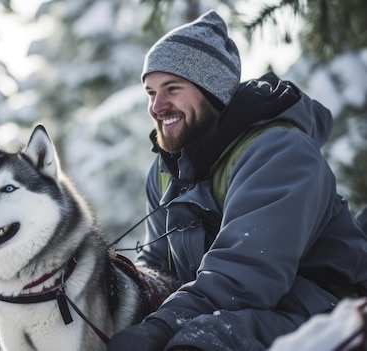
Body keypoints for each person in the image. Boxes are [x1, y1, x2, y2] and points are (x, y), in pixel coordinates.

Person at [107, 10, 367, 351]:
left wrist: (161, 326)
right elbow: (159, 268)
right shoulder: (165, 171)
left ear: (213, 91)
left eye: (172, 89)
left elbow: (245, 277)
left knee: (202, 341)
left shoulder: (279, 151)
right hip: (229, 310)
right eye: (151, 92)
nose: (157, 106)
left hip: (324, 308)